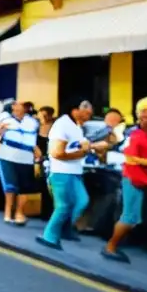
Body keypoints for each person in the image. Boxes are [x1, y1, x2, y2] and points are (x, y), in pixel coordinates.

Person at [36, 100, 107, 250]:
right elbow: (56, 152)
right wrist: (83, 152)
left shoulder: (76, 127)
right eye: (87, 113)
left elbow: (79, 146)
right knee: (63, 206)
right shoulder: (62, 125)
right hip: (61, 172)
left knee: (82, 201)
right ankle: (49, 236)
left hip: (75, 172)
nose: (89, 116)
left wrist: (93, 147)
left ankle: (65, 229)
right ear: (75, 110)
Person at [103, 96, 147, 263]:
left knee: (135, 217)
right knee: (130, 217)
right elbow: (130, 158)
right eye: (145, 111)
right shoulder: (135, 134)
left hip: (145, 181)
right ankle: (111, 247)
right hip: (134, 180)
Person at [0, 100, 41, 225]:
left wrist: (37, 155)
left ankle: (19, 213)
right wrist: (0, 129)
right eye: (15, 105)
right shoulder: (5, 120)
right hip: (7, 156)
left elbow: (33, 140)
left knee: (25, 188)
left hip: (26, 158)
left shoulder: (33, 122)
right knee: (10, 186)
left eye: (21, 106)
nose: (16, 107)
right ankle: (7, 213)